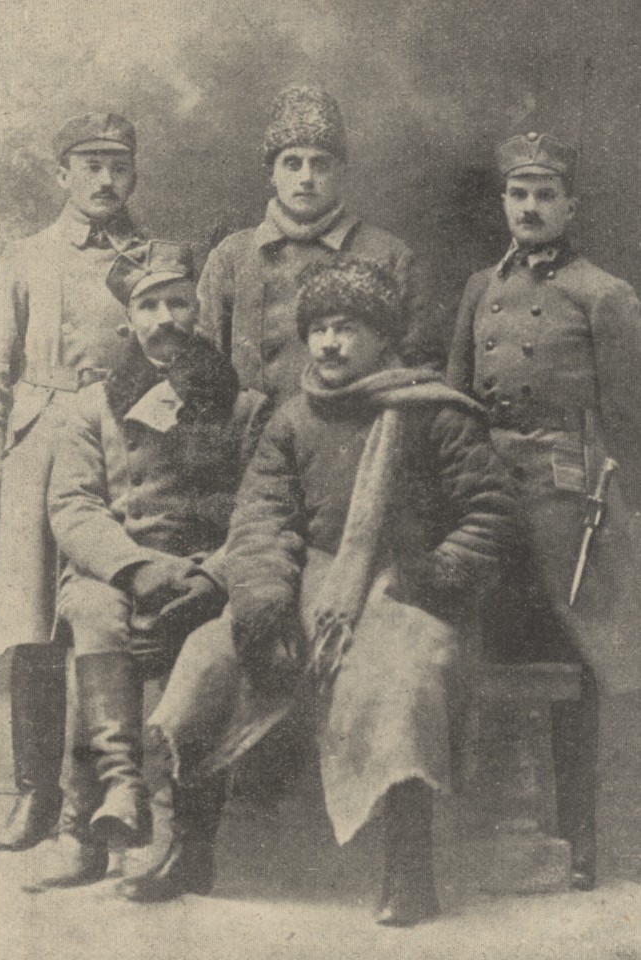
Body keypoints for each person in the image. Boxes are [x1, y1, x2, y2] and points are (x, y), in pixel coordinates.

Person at [122, 258, 516, 921]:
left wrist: (435, 574)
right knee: (209, 657)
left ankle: (409, 871)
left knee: (404, 678)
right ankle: (190, 849)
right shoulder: (292, 419)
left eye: (348, 328)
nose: (329, 344)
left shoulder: (435, 413)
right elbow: (261, 522)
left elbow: (491, 514)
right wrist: (264, 607)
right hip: (306, 584)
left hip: (404, 589)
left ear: (383, 337)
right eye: (320, 329)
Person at [25, 240, 268, 889]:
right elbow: (74, 505)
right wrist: (135, 570)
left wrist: (211, 578)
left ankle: (184, 841)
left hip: (202, 575)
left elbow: (262, 513)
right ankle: (94, 821)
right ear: (128, 319)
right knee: (92, 612)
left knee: (206, 640)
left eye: (177, 303)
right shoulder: (93, 405)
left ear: (198, 310)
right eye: (148, 306)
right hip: (121, 569)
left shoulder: (245, 406)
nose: (164, 319)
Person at [446, 132, 641, 890]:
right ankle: (484, 838)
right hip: (487, 493)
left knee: (577, 661)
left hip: (567, 501)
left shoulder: (603, 293)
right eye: (519, 193)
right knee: (483, 651)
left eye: (545, 195)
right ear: (504, 201)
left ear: (570, 206)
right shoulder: (479, 288)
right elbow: (455, 400)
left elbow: (629, 418)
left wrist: (624, 511)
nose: (530, 207)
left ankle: (579, 842)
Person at [0, 113, 144, 852]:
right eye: (90, 166)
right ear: (62, 174)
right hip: (37, 439)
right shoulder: (25, 257)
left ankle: (108, 793)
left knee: (103, 609)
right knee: (30, 620)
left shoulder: (154, 258)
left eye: (118, 166)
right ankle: (35, 792)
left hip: (117, 441)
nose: (105, 180)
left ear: (133, 174)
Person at [197, 84, 444, 412]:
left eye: (320, 164)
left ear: (341, 171)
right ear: (271, 173)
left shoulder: (388, 256)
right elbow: (202, 364)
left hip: (354, 434)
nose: (306, 178)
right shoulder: (232, 257)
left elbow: (422, 373)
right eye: (292, 163)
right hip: (251, 439)